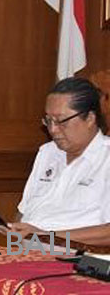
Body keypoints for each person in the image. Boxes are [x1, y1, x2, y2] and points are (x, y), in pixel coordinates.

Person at [9, 77, 110, 246]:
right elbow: (24, 212)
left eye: (61, 121)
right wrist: (14, 236)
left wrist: (47, 237)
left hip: (77, 252)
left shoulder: (106, 158)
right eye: (48, 121)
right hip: (30, 248)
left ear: (90, 119)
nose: (53, 130)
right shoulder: (47, 152)